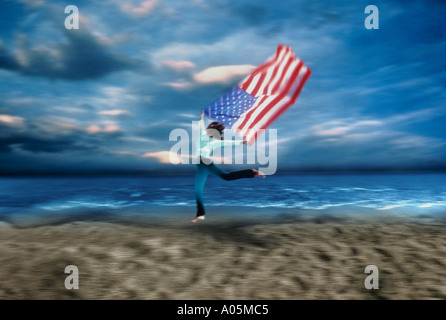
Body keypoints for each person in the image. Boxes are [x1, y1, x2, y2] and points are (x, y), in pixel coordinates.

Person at [190, 110, 264, 223]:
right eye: (208, 128)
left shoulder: (216, 141)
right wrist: (201, 117)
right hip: (200, 167)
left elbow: (229, 142)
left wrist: (243, 142)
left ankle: (252, 172)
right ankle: (200, 214)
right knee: (197, 190)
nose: (207, 129)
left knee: (226, 177)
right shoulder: (203, 135)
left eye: (211, 128)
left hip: (206, 164)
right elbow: (200, 125)